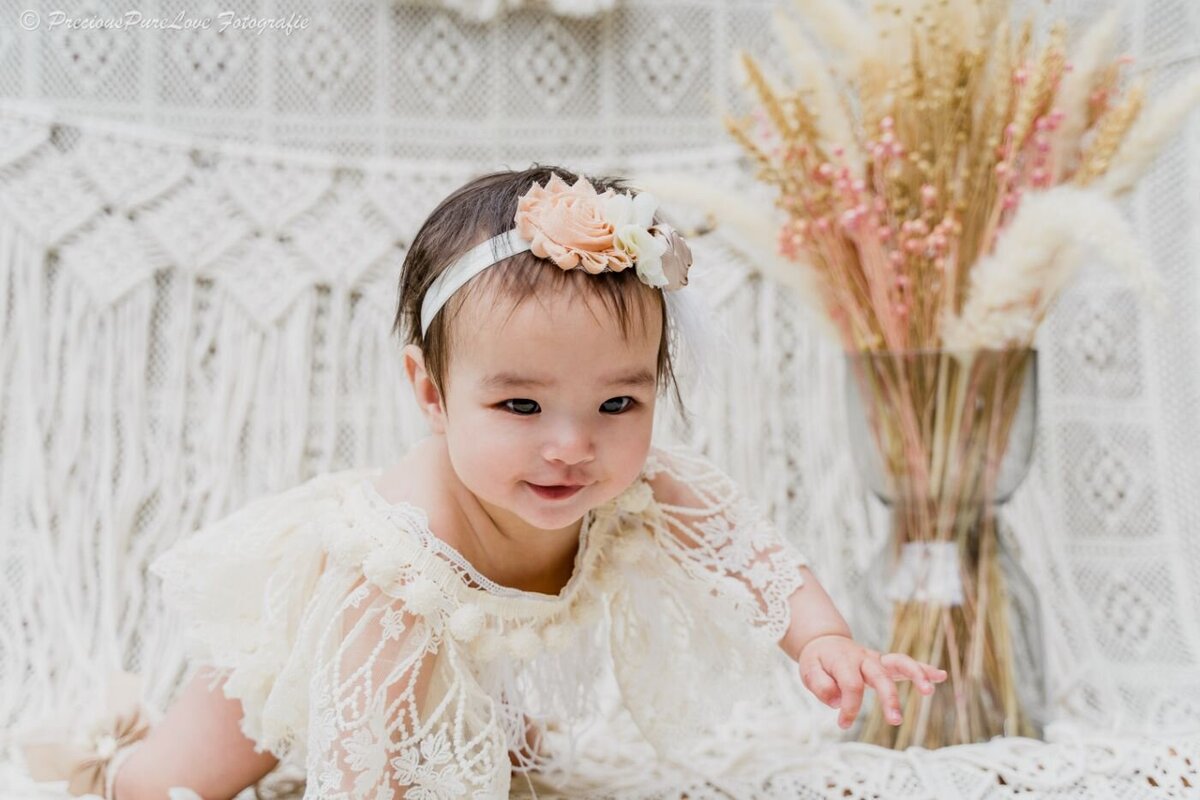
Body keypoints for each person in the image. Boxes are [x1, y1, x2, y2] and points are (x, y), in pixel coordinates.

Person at [66, 165, 946, 798]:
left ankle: (471, 735)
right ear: (432, 393)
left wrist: (825, 640)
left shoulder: (642, 484)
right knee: (175, 780)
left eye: (616, 403)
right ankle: (125, 762)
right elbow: (360, 735)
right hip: (310, 659)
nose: (571, 447)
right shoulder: (395, 556)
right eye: (521, 405)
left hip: (454, 655)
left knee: (499, 757)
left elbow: (745, 550)